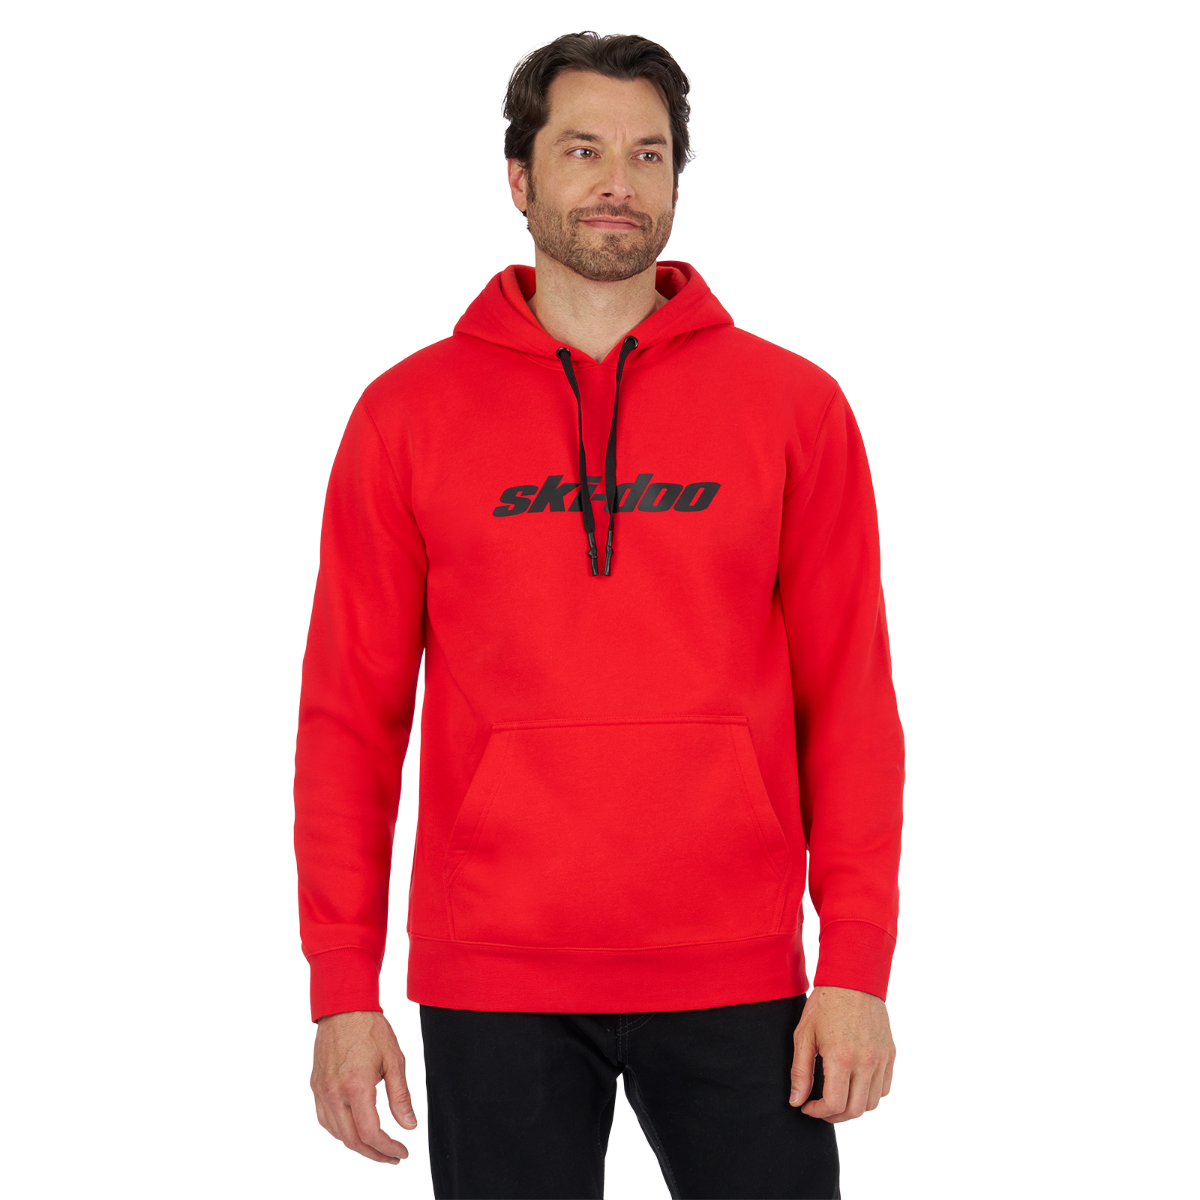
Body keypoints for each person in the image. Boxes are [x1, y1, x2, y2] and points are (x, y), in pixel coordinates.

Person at [295, 30, 903, 1200]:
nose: (618, 181)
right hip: (492, 976)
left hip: (744, 972)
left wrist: (857, 967)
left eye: (648, 153)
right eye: (583, 150)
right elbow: (348, 723)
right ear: (520, 177)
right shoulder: (404, 414)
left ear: (678, 175)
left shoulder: (796, 406)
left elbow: (853, 706)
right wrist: (341, 991)